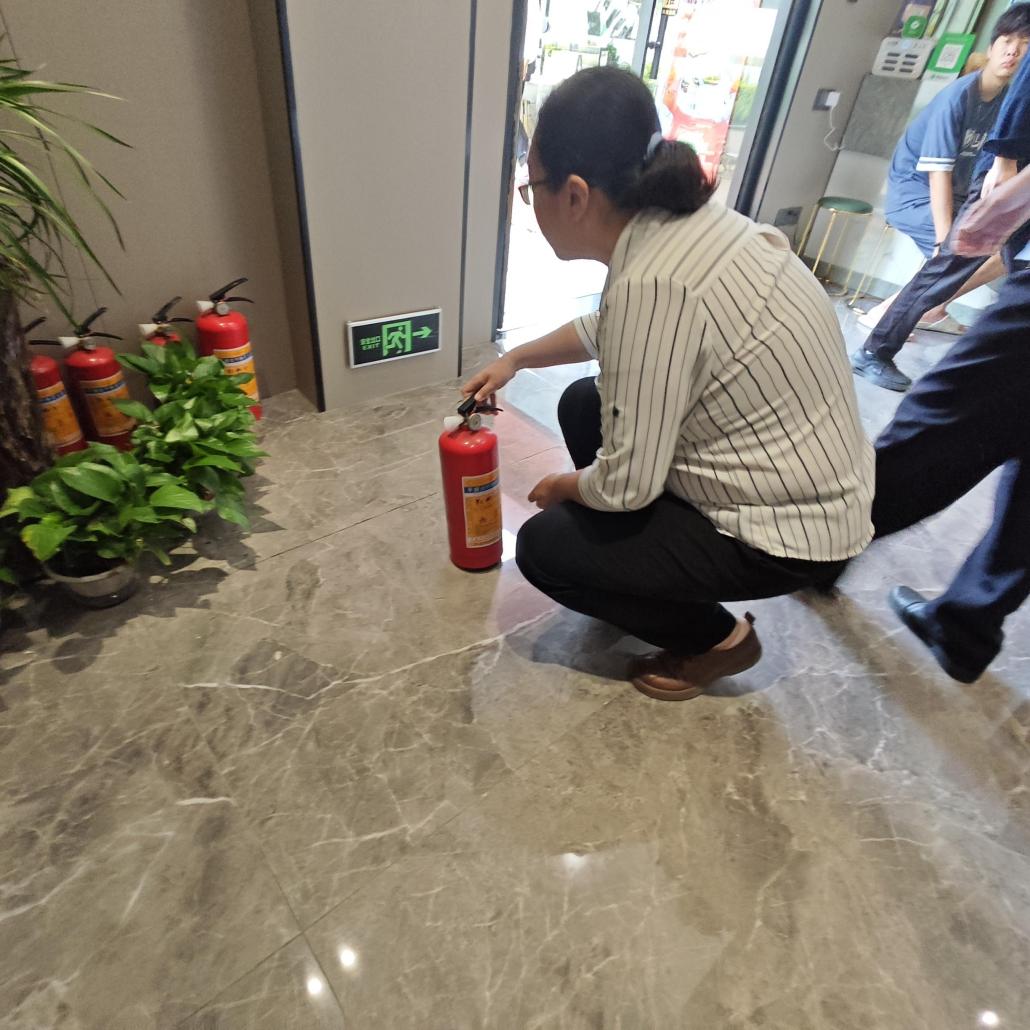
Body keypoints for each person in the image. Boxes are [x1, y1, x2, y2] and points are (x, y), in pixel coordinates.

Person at [463, 67, 874, 700]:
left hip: (787, 534)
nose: (530, 199)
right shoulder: (687, 228)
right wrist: (515, 359)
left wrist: (562, 488)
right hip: (811, 486)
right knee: (584, 402)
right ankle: (639, 575)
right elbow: (613, 328)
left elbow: (625, 486)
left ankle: (717, 640)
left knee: (546, 549)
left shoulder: (653, 284)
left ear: (575, 195)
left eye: (531, 185)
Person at [871, 45, 1030, 682]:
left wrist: (1001, 203)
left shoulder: (1002, 106)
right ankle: (966, 627)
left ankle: (818, 547)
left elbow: (1005, 167)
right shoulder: (957, 99)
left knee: (938, 417)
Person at [852, 4, 1030, 393]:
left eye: (1024, 43)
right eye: (1006, 40)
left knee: (1000, 259)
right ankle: (878, 341)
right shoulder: (959, 97)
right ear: (992, 45)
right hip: (914, 193)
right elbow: (938, 174)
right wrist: (944, 235)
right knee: (949, 258)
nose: (1013, 50)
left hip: (972, 192)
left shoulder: (1008, 98)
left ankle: (932, 308)